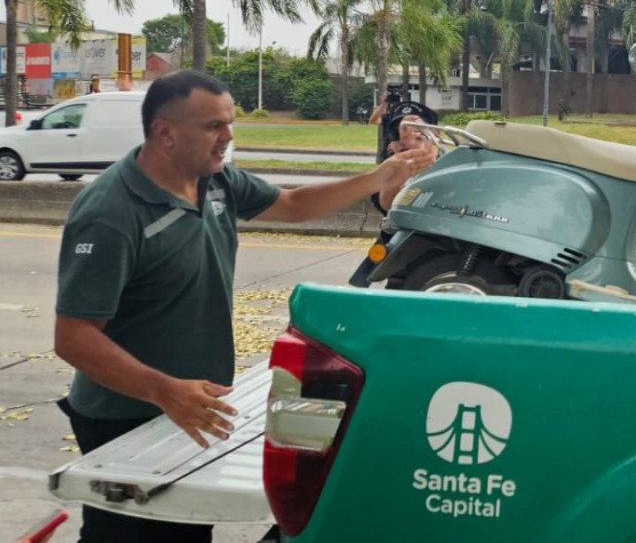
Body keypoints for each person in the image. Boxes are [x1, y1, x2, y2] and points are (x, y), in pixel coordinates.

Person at [52, 71, 434, 543]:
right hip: (125, 415)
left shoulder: (215, 182)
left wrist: (381, 177)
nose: (229, 136)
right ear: (165, 132)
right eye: (213, 126)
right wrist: (164, 391)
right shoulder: (111, 212)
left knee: (188, 532)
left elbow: (292, 204)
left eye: (229, 123)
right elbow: (74, 337)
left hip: (197, 407)